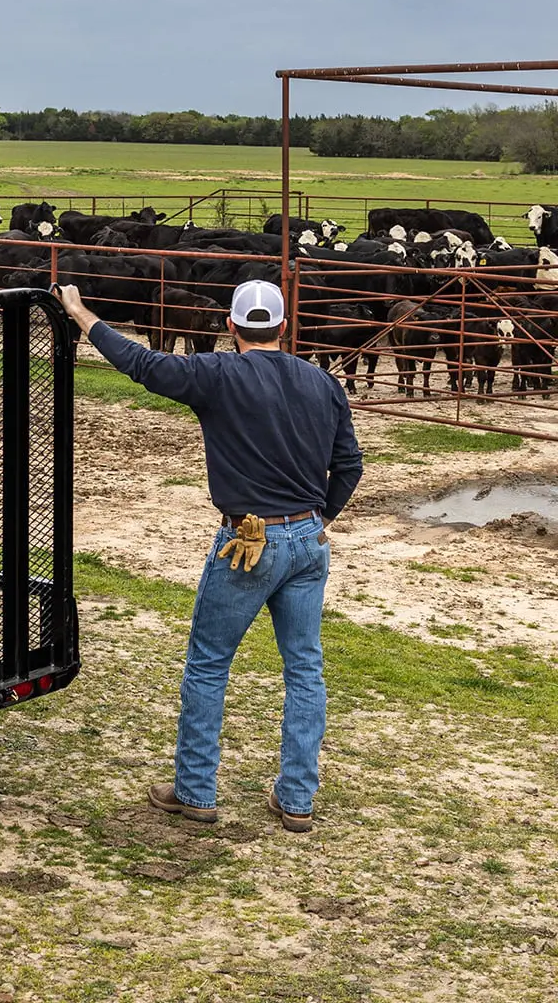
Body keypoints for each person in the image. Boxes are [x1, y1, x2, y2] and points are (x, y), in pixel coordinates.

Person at [53, 279, 363, 833]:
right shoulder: (323, 382)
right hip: (309, 541)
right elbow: (350, 466)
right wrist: (319, 520)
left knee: (209, 664)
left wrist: (81, 314)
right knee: (305, 669)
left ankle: (196, 790)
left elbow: (143, 363)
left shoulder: (217, 375)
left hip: (247, 541)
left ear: (231, 327)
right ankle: (296, 799)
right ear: (285, 328)